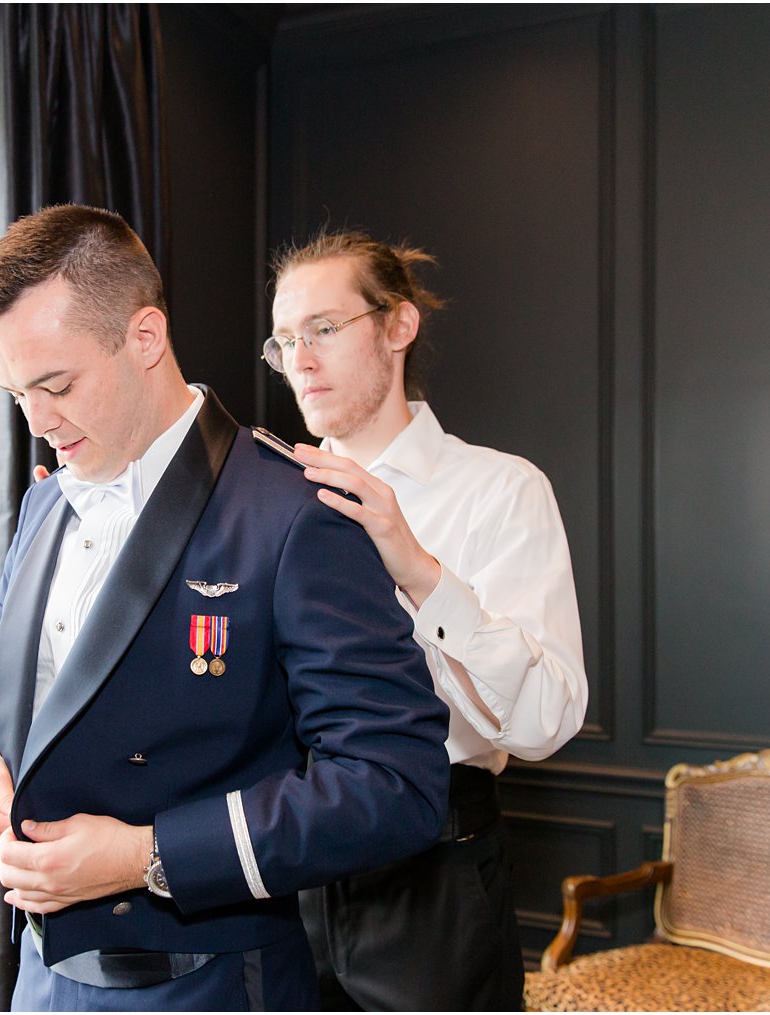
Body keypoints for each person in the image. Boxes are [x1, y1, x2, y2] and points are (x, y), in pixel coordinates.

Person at [0, 205, 450, 1012]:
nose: (35, 423)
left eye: (55, 383)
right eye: (13, 392)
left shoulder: (294, 513)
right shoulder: (45, 503)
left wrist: (147, 855)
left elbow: (396, 783)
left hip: (209, 987)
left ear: (145, 338)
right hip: (38, 984)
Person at [266, 231, 589, 1011]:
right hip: (290, 859)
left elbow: (547, 718)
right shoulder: (267, 500)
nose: (300, 361)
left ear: (398, 326)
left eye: (324, 330)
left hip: (436, 866)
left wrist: (418, 567)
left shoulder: (504, 491)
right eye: (284, 341)